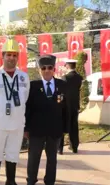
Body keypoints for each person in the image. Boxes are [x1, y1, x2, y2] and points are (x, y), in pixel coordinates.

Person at [0, 38, 30, 185]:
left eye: (14, 55)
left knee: (13, 153)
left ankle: (11, 181)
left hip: (17, 123)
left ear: (18, 57)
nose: (11, 58)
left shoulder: (24, 77)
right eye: (8, 55)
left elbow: (25, 98)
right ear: (3, 56)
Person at [24, 54, 70, 185]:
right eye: (43, 68)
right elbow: (28, 108)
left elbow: (66, 108)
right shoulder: (32, 86)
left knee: (52, 158)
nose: (47, 70)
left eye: (50, 67)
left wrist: (65, 128)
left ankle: (50, 181)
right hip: (36, 129)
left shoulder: (62, 85)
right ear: (39, 70)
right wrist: (25, 128)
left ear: (54, 69)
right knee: (33, 157)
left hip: (55, 129)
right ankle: (31, 180)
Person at [58, 59, 83, 154]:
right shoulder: (79, 78)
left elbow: (60, 92)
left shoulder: (64, 78)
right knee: (74, 126)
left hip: (65, 106)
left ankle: (60, 148)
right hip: (74, 106)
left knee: (62, 126)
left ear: (67, 66)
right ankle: (74, 147)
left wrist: (58, 103)